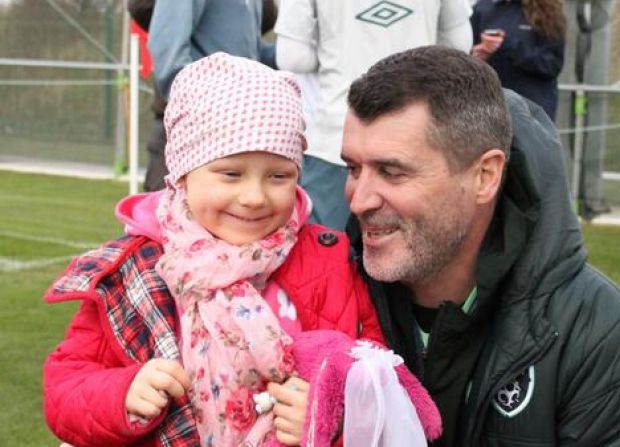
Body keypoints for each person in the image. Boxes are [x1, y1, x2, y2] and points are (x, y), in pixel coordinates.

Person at [43, 53, 385, 447]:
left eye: (278, 176)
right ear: (184, 174)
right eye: (231, 174)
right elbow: (64, 387)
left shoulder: (330, 261)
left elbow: (376, 379)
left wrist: (331, 415)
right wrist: (123, 394)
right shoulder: (135, 270)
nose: (254, 197)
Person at [341, 45, 620, 446]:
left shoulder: (597, 332)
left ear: (485, 175)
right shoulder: (323, 290)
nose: (359, 199)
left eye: (391, 172)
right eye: (353, 168)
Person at [273, 0, 474, 230]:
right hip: (418, 136)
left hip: (337, 136)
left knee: (326, 248)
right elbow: (458, 45)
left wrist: (336, 50)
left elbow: (292, 57)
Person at [137, 0, 278, 192]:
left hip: (233, 131)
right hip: (192, 132)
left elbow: (250, 52)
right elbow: (167, 51)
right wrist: (199, 111)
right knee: (172, 218)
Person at [470, 0, 566, 120]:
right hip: (490, 108)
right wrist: (477, 55)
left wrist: (509, 46)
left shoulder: (547, 11)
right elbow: (465, 57)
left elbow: (552, 65)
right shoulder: (482, 8)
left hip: (532, 111)